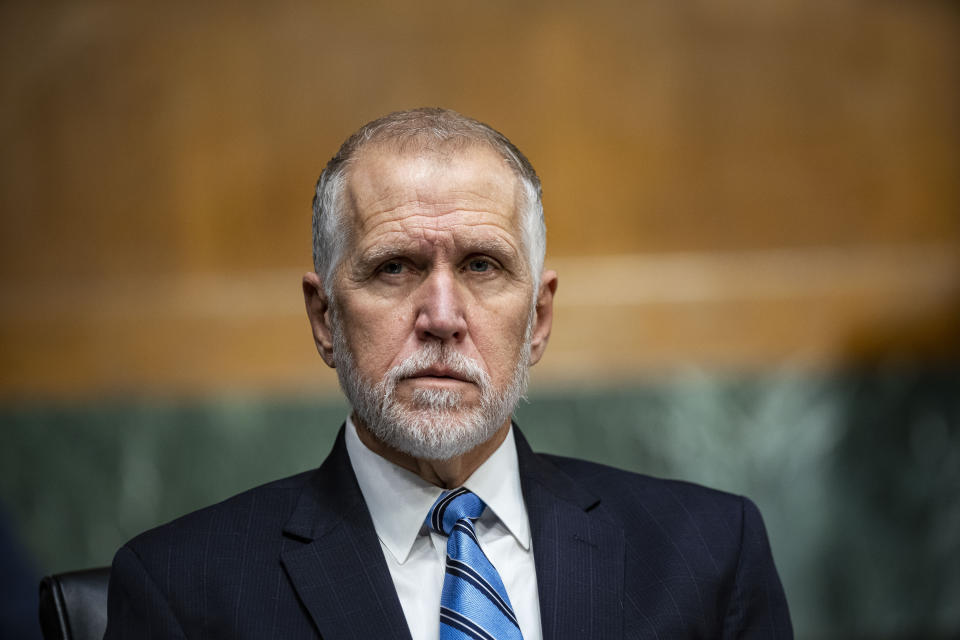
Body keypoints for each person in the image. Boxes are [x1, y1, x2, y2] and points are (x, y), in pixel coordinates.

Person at [105, 108, 792, 639]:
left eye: (482, 266)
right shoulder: (182, 591)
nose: (441, 315)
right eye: (394, 267)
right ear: (324, 319)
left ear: (540, 319)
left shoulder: (705, 554)